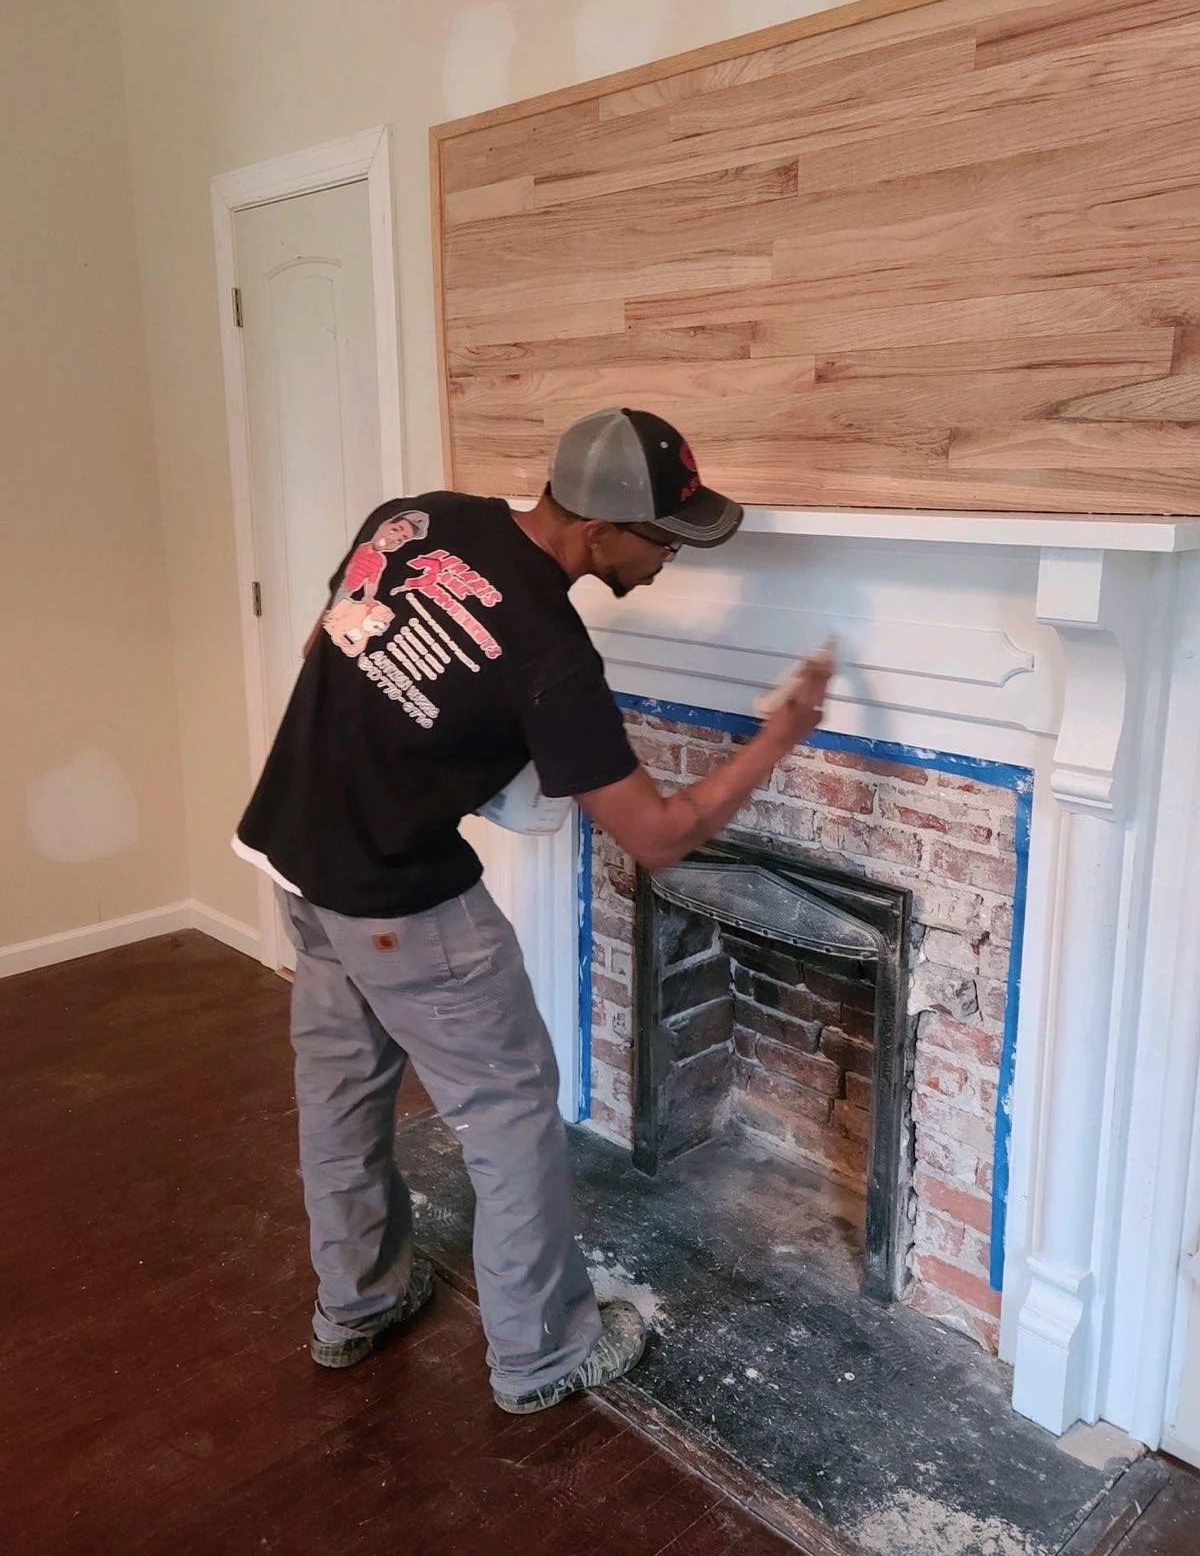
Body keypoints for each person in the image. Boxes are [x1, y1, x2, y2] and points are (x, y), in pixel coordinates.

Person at [233, 406, 834, 1414]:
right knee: (510, 1116)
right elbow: (658, 833)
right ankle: (542, 1351)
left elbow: (322, 644)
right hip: (400, 901)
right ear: (599, 532)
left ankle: (355, 1305)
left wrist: (436, 736)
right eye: (664, 538)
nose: (671, 558)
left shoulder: (413, 519)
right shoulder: (551, 655)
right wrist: (779, 737)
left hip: (297, 857)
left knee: (339, 1097)